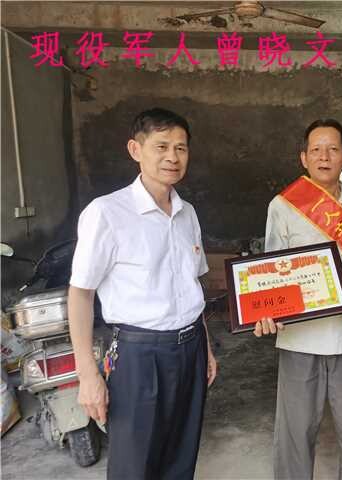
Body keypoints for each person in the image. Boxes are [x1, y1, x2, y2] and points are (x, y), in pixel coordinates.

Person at [68, 108, 217, 480]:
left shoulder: (188, 214)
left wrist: (207, 348)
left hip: (192, 349)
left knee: (181, 457)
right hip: (139, 355)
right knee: (135, 466)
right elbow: (81, 295)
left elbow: (192, 286)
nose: (172, 157)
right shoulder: (107, 213)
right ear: (135, 149)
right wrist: (87, 374)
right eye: (161, 146)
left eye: (181, 148)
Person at [254, 119, 342, 480]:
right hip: (300, 338)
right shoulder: (283, 206)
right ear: (303, 157)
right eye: (316, 150)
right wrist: (264, 309)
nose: (325, 157)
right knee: (295, 434)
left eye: (333, 149)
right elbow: (269, 270)